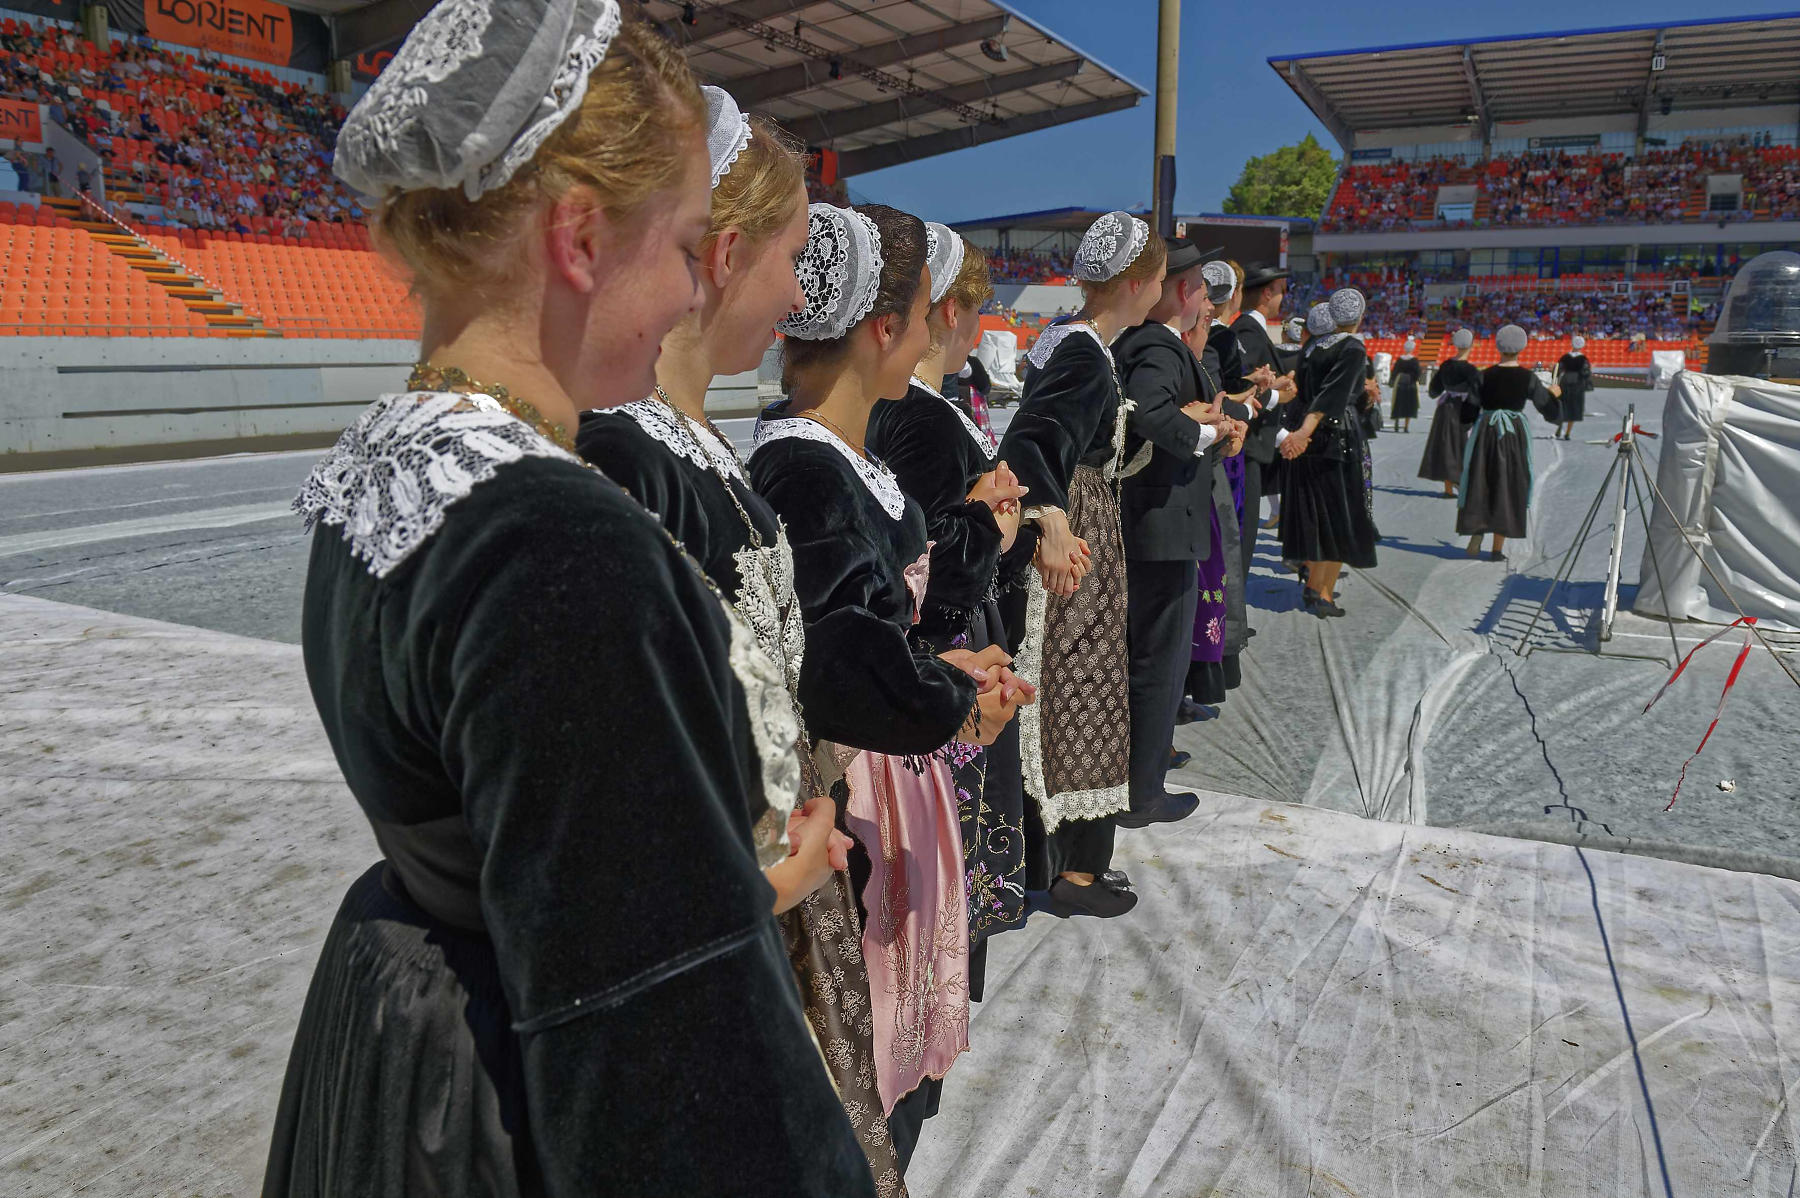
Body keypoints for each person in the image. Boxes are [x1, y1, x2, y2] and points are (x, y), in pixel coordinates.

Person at [266, 7, 873, 1196]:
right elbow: (659, 1042)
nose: (692, 291)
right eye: (686, 245)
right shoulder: (555, 545)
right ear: (582, 236)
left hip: (406, 1067)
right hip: (511, 1110)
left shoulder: (388, 471)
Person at [572, 90, 900, 1193]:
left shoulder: (694, 440)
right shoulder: (628, 454)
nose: (800, 297)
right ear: (724, 255)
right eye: (791, 260)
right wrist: (757, 879)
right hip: (726, 902)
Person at [749, 202, 1027, 1170]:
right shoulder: (805, 471)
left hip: (893, 778)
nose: (929, 340)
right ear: (881, 328)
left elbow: (877, 633)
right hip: (857, 787)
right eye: (920, 318)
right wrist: (951, 701)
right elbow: (844, 664)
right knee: (862, 1058)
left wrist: (945, 671)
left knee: (896, 1046)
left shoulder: (843, 459)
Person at [864, 222, 1035, 978]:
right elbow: (932, 564)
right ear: (950, 310)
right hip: (948, 642)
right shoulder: (925, 417)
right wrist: (995, 525)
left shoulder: (921, 408)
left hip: (941, 636)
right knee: (946, 844)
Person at [998, 210, 1165, 919]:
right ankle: (1073, 869)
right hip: (1078, 537)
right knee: (1082, 688)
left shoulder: (1073, 341)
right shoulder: (1083, 352)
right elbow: (1033, 440)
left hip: (1086, 521)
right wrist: (1055, 520)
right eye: (1158, 279)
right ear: (1135, 282)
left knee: (1076, 687)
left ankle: (1062, 860)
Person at [1111, 236, 1240, 828]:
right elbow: (1151, 414)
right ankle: (1143, 793)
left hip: (1156, 522)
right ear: (1186, 290)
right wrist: (1208, 431)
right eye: (1204, 293)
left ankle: (1137, 780)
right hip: (1160, 529)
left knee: (1149, 659)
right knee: (1158, 664)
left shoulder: (1148, 342)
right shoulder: (1158, 345)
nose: (1207, 305)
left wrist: (1211, 436)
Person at [1279, 290, 1380, 617]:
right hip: (1337, 436)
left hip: (1312, 434)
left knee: (1320, 512)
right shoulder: (1352, 348)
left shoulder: (1312, 346)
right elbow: (1333, 394)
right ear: (1359, 317)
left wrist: (1302, 429)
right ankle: (1323, 592)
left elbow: (1311, 393)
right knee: (1341, 515)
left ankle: (1313, 582)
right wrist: (1305, 432)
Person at [1183, 259, 1255, 715]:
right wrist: (1230, 419)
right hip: (1193, 488)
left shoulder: (1204, 347)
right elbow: (1210, 404)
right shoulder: (1195, 351)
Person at [1458, 323, 1560, 561]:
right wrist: (1554, 395)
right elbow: (1547, 407)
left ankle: (1478, 527)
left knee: (1482, 479)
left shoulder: (1483, 375)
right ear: (1521, 348)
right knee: (1508, 483)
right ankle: (1497, 549)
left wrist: (1467, 425)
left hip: (1486, 431)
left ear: (1498, 346)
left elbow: (1468, 411)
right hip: (1512, 433)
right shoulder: (1527, 377)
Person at [1231, 262, 1298, 551]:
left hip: (1254, 441)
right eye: (1281, 291)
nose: (1284, 298)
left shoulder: (1253, 329)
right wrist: (1277, 395)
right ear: (1267, 293)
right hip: (1248, 443)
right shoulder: (1248, 330)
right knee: (1243, 536)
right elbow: (1238, 382)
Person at [1419, 328, 1481, 497]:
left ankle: (1448, 487)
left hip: (1445, 408)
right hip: (1463, 408)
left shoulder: (1445, 365)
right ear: (1470, 345)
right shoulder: (1471, 370)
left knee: (1445, 446)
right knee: (1462, 445)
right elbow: (1476, 395)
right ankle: (1461, 482)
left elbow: (1433, 391)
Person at [1556, 335, 1593, 440]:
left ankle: (1559, 428)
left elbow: (1558, 370)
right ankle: (1567, 433)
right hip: (1577, 383)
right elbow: (1585, 373)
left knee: (1563, 406)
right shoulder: (1583, 359)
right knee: (1574, 408)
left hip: (1565, 381)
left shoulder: (1565, 357)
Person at [1390, 338, 1422, 432]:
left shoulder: (1400, 359)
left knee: (1398, 402)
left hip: (1400, 381)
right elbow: (1417, 373)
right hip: (1411, 383)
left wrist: (1392, 381)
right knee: (1409, 404)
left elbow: (1394, 371)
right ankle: (1406, 426)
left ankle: (1396, 422)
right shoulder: (1414, 360)